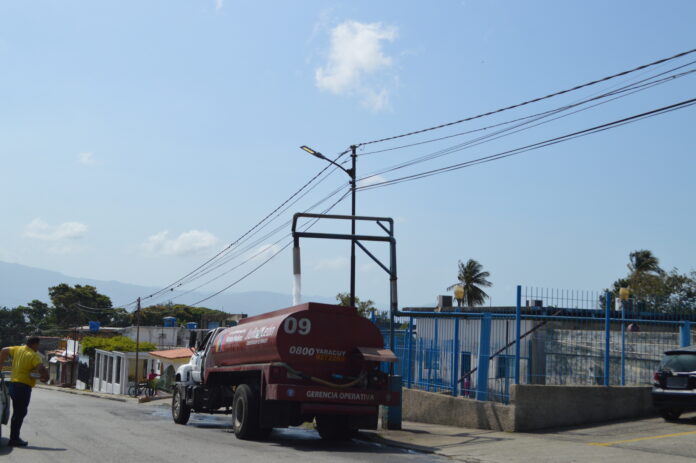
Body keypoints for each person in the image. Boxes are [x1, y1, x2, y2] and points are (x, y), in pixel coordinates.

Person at [0, 337, 49, 447]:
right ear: (34, 344)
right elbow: (40, 367)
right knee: (20, 413)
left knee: (18, 412)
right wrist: (46, 376)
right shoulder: (33, 355)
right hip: (22, 386)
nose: (38, 347)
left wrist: (0, 364)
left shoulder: (18, 349)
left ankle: (14, 437)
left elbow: (4, 350)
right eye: (38, 345)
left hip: (13, 385)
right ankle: (14, 439)